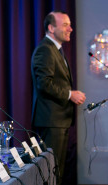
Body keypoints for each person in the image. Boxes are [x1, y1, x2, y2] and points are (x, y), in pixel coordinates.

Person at [31, 11, 86, 184]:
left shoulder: (55, 49)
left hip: (58, 121)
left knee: (57, 171)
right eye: (65, 24)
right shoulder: (45, 50)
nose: (70, 28)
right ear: (51, 28)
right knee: (50, 172)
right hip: (51, 121)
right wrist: (70, 94)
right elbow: (44, 84)